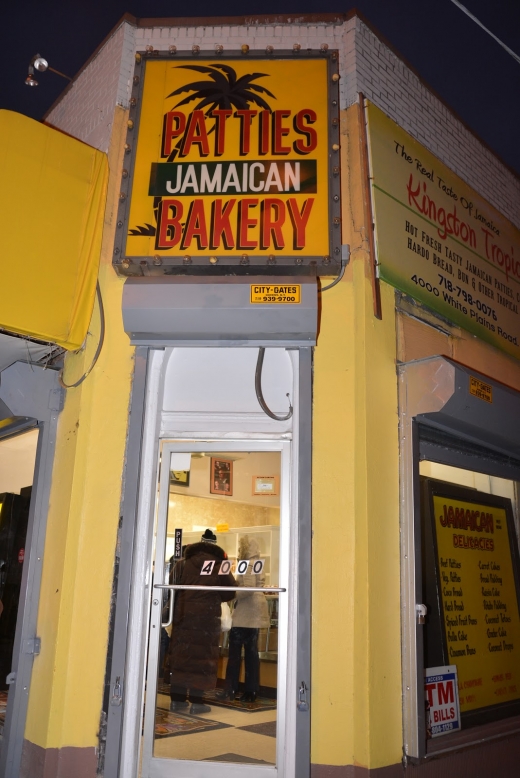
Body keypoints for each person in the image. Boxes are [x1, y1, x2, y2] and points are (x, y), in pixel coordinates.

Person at [168, 529, 235, 714]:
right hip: (206, 620)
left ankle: (177, 700)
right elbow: (230, 592)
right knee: (202, 659)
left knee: (182, 658)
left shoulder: (183, 563)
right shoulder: (220, 565)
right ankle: (197, 701)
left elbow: (170, 587)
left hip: (183, 617)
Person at [218, 535, 269, 702]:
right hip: (253, 612)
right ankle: (251, 691)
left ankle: (231, 689)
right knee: (251, 654)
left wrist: (231, 595)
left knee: (234, 653)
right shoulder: (257, 563)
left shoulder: (246, 564)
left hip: (246, 613)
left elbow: (248, 589)